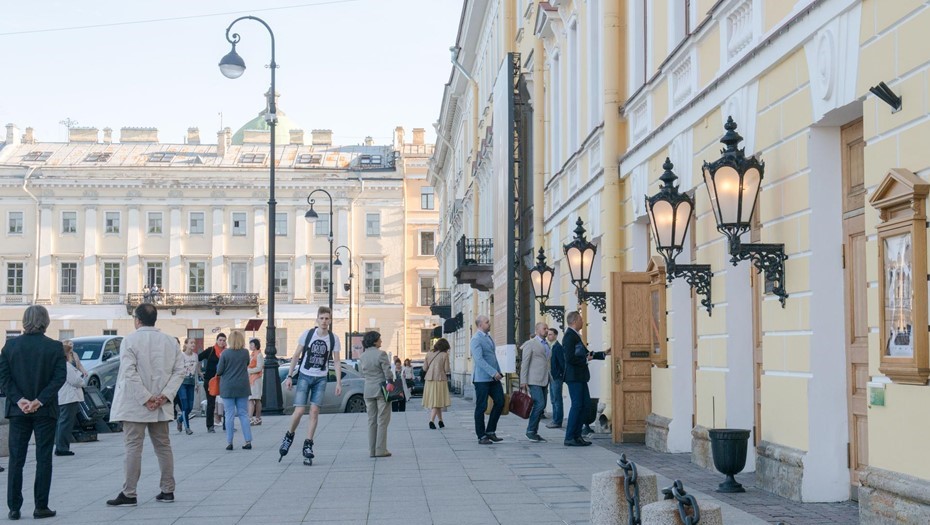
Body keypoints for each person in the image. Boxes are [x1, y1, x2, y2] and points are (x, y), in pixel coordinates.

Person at [106, 303, 185, 507]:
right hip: (161, 403)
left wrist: (146, 398)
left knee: (133, 447)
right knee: (163, 446)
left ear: (137, 320)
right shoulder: (170, 341)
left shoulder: (129, 340)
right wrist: (164, 396)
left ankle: (129, 492)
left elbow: (129, 372)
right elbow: (180, 371)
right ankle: (168, 490)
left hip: (135, 404)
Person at [0, 305, 67, 520]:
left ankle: (14, 508)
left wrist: (19, 400)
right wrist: (39, 401)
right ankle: (40, 506)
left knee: (16, 460)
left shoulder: (10, 346)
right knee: (43, 458)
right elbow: (59, 378)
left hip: (18, 410)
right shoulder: (54, 347)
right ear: (45, 321)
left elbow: (4, 378)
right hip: (45, 410)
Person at [280, 306, 342, 465]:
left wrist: (338, 383)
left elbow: (336, 361)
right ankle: (289, 435)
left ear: (330, 320)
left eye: (327, 318)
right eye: (322, 318)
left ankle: (308, 444)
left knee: (314, 411)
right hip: (304, 376)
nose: (324, 321)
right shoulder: (308, 335)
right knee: (300, 410)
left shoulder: (333, 339)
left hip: (321, 378)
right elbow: (296, 355)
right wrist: (289, 376)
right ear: (317, 319)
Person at [562, 311, 609, 447]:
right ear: (575, 321)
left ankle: (577, 436)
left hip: (580, 376)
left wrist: (604, 353)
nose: (583, 322)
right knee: (577, 405)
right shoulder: (569, 336)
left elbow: (586, 353)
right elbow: (570, 358)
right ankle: (570, 437)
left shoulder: (575, 335)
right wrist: (585, 359)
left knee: (585, 405)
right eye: (581, 319)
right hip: (574, 376)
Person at [216, 330, 253, 451]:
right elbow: (247, 364)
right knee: (243, 414)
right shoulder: (245, 352)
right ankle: (248, 441)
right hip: (242, 386)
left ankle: (229, 442)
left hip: (228, 387)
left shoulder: (225, 353)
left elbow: (219, 371)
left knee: (229, 414)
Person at [471, 315, 504, 445]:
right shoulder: (476, 339)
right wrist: (493, 372)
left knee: (500, 402)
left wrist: (498, 371)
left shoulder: (488, 337)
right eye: (487, 322)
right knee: (482, 406)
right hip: (481, 379)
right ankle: (481, 435)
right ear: (480, 325)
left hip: (493, 378)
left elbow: (492, 357)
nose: (489, 323)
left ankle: (490, 431)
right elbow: (479, 360)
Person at [359, 331, 392, 457]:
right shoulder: (381, 354)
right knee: (382, 420)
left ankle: (372, 450)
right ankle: (381, 449)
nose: (381, 341)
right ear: (374, 341)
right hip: (381, 390)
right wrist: (390, 380)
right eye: (379, 339)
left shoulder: (362, 356)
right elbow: (387, 372)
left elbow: (362, 373)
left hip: (368, 390)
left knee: (371, 421)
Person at [520, 322, 551, 443]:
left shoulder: (547, 344)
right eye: (544, 328)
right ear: (537, 330)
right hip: (534, 379)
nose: (546, 330)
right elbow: (525, 363)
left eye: (547, 328)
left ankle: (534, 432)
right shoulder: (531, 343)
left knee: (541, 406)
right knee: (539, 404)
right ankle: (530, 431)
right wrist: (523, 381)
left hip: (544, 379)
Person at [55, 340, 87, 456]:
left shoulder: (58, 364)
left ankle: (61, 446)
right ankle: (62, 448)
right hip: (69, 397)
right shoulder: (66, 366)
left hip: (64, 397)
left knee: (62, 422)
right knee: (65, 423)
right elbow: (75, 381)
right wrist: (83, 382)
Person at [197, 333, 226, 433]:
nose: (222, 342)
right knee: (211, 403)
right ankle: (210, 426)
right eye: (220, 340)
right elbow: (198, 358)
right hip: (210, 380)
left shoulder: (227, 352)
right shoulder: (210, 350)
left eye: (224, 340)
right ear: (217, 340)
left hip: (223, 380)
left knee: (226, 402)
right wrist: (199, 372)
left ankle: (226, 424)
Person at [422, 338, 451, 429]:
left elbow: (424, 368)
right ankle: (431, 421)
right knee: (436, 402)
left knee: (436, 401)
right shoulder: (445, 355)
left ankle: (441, 421)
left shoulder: (429, 353)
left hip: (429, 380)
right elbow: (447, 369)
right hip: (440, 380)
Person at [176, 338, 201, 435]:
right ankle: (187, 428)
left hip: (191, 383)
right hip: (182, 383)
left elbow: (196, 371)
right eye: (191, 343)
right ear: (186, 344)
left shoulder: (195, 356)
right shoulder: (181, 356)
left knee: (190, 407)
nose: (193, 344)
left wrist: (197, 383)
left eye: (194, 343)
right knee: (185, 406)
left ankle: (180, 420)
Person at [545, 328, 565, 429]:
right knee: (553, 399)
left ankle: (558, 421)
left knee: (557, 399)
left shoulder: (558, 347)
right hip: (550, 376)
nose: (549, 336)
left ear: (556, 335)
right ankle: (554, 419)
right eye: (548, 334)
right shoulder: (549, 346)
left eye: (551, 334)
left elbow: (562, 363)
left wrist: (560, 374)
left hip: (556, 377)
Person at [247, 338, 264, 426]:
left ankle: (253, 418)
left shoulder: (259, 355)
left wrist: (248, 370)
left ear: (256, 345)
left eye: (252, 345)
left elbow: (259, 368)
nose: (250, 346)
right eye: (250, 344)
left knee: (254, 398)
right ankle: (256, 418)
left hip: (256, 379)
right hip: (252, 379)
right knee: (253, 398)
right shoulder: (252, 355)